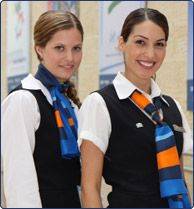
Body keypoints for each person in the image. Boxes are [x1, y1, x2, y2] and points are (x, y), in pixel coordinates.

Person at [79, 8, 193, 208]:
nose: (150, 54)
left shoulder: (171, 106)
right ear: (122, 43)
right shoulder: (100, 104)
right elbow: (90, 188)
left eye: (159, 44)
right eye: (140, 42)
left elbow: (180, 181)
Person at [1, 10, 84, 208]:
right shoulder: (23, 101)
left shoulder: (68, 102)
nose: (70, 58)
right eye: (59, 48)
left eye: (76, 48)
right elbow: (18, 179)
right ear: (39, 49)